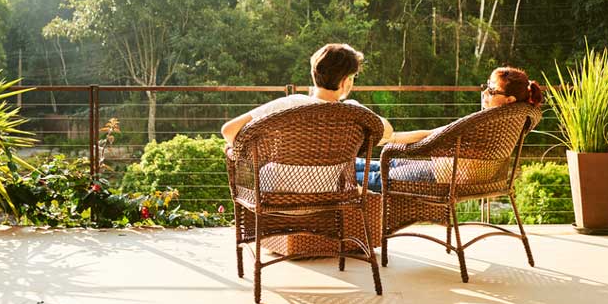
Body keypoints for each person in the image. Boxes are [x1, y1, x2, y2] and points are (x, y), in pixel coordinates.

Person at [355, 66, 545, 190]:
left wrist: (391, 139)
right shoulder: (510, 118)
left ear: (509, 100)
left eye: (492, 91)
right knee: (384, 164)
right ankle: (339, 166)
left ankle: (332, 170)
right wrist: (391, 138)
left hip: (449, 178)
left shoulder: (485, 122)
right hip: (448, 170)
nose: (485, 92)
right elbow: (437, 134)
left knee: (373, 177)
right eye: (487, 86)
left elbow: (433, 136)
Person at [222, 43, 425, 148]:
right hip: (331, 193)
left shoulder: (288, 104)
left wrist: (245, 152)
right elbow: (388, 132)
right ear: (346, 80)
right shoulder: (354, 112)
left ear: (314, 73)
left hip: (274, 192)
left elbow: (229, 131)